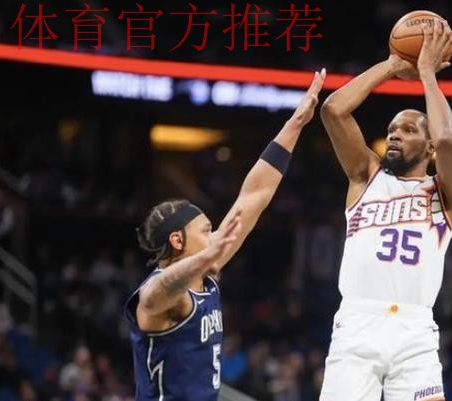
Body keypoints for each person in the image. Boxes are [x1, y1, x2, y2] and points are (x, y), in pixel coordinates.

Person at [124, 69, 326, 401]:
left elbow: (255, 194)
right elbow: (154, 293)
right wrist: (206, 257)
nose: (214, 236)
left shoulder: (208, 269)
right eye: (206, 231)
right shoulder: (163, 295)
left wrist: (296, 123)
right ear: (177, 240)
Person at [319, 20, 452, 401]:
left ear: (428, 147)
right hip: (357, 322)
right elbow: (333, 110)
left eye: (408, 130)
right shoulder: (365, 176)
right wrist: (391, 65)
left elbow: (447, 139)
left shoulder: (446, 193)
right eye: (392, 129)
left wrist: (427, 74)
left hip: (415, 331)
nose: (395, 134)